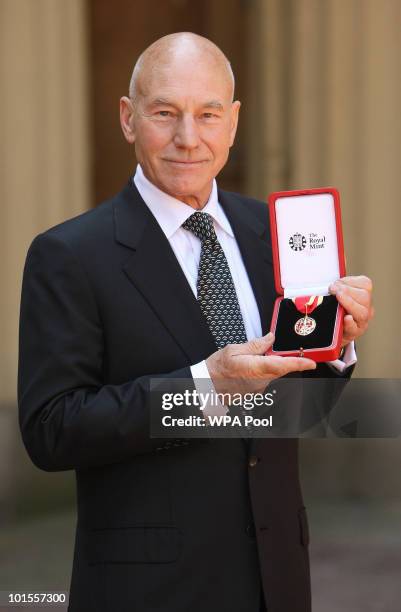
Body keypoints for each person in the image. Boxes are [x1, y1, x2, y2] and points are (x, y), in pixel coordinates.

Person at [18, 32, 373, 612]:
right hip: (148, 590)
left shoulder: (272, 234)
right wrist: (205, 387)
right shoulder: (69, 255)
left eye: (208, 114)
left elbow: (295, 419)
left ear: (233, 123)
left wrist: (335, 349)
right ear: (129, 119)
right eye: (165, 113)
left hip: (276, 578)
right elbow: (51, 430)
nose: (189, 138)